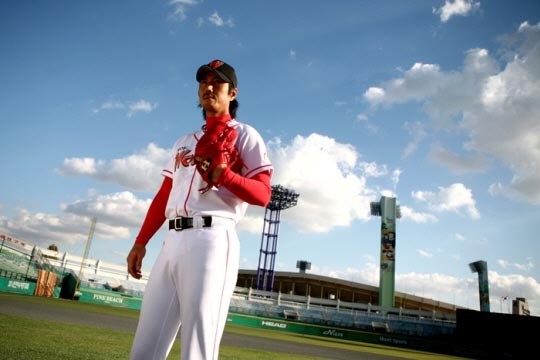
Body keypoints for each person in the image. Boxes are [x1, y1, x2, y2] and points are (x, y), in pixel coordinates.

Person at [127, 59, 273, 359]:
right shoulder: (184, 143)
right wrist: (141, 242)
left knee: (198, 349)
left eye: (216, 82)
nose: (208, 87)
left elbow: (263, 194)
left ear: (232, 93)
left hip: (212, 239)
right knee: (145, 347)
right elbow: (163, 196)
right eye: (203, 82)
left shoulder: (245, 135)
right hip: (172, 241)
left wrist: (227, 176)